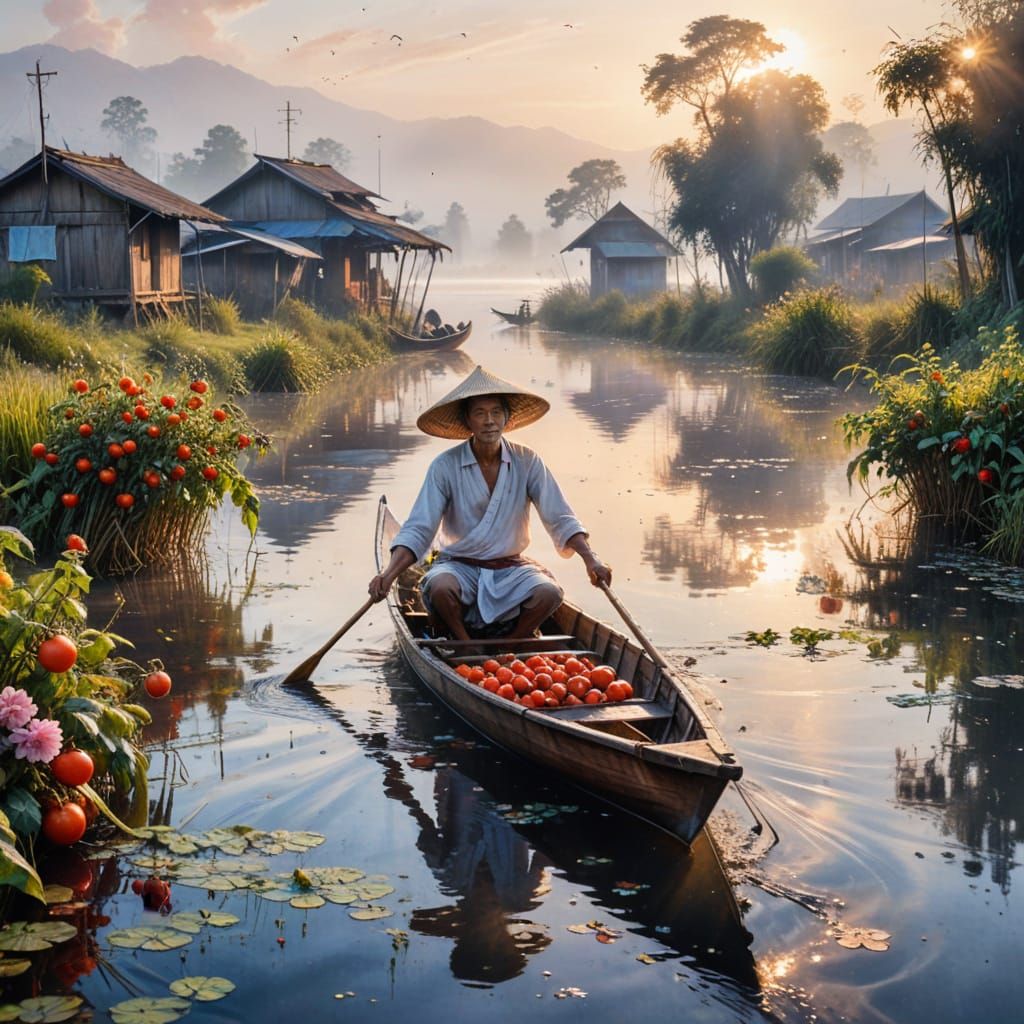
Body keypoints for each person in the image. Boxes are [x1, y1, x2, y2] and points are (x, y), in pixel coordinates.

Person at [368, 365, 611, 643]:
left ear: (507, 419)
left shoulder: (527, 461)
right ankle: (464, 644)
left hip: (511, 569)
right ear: (467, 422)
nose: (489, 421)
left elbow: (560, 517)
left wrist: (591, 559)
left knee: (549, 593)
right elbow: (420, 528)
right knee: (439, 587)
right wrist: (387, 575)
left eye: (496, 412)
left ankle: (513, 644)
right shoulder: (444, 466)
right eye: (480, 413)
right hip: (459, 568)